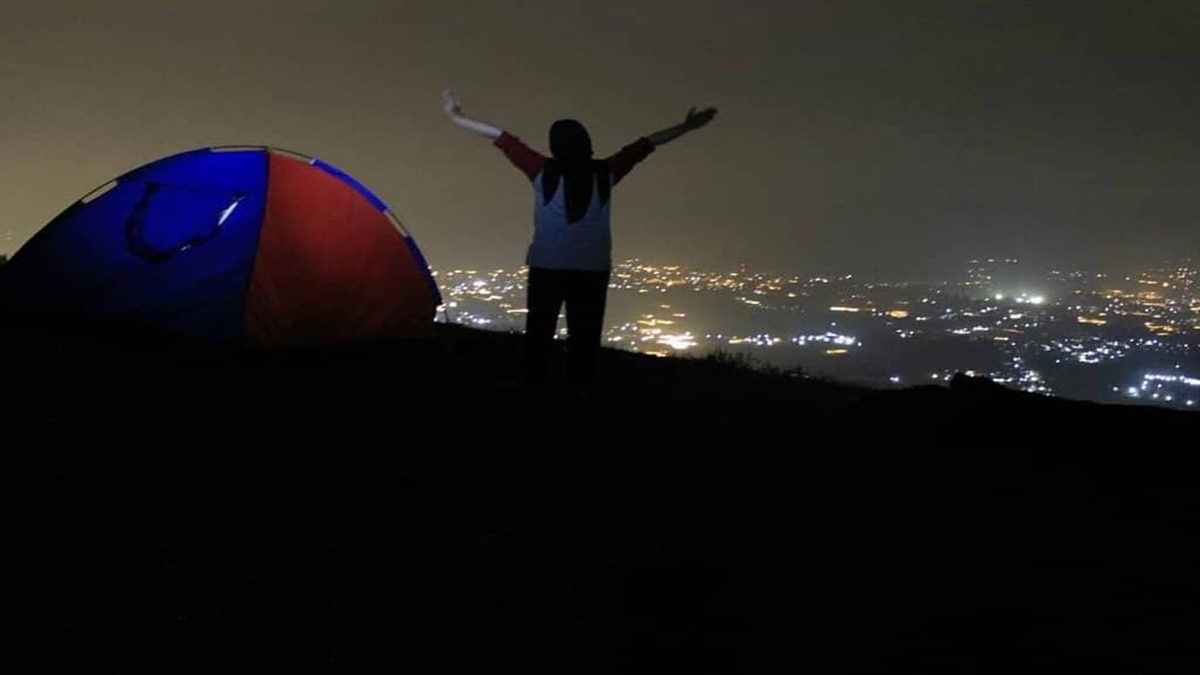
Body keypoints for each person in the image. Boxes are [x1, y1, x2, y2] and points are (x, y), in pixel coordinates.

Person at [441, 89, 717, 393]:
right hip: (592, 267)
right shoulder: (605, 174)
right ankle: (580, 389)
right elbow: (646, 144)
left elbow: (503, 139)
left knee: (540, 331)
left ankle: (535, 385)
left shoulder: (542, 172)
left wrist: (457, 118)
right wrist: (687, 126)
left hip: (548, 265)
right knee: (585, 334)